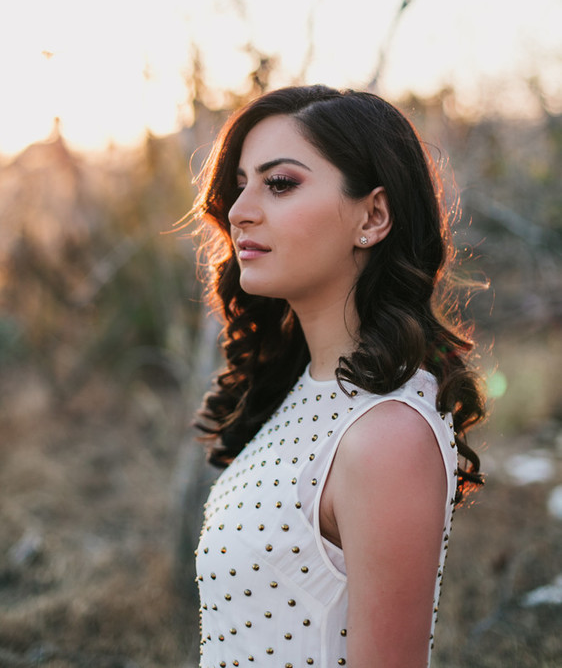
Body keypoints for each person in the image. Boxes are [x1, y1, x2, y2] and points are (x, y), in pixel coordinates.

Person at [191, 85, 486, 668]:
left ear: (373, 216)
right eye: (240, 184)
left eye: (279, 184)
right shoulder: (299, 390)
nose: (240, 209)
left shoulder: (387, 435)